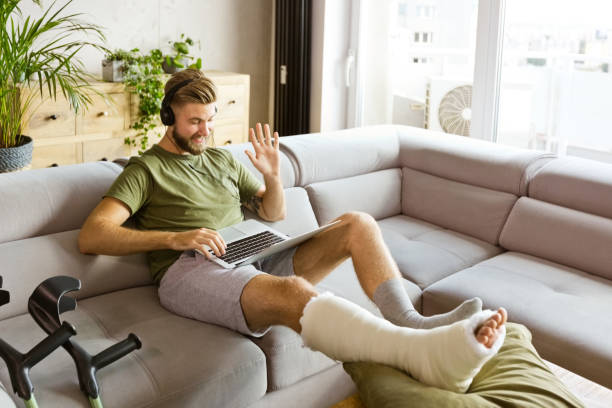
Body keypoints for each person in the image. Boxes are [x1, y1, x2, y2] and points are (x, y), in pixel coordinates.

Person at [78, 69, 507, 393]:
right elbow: (93, 235)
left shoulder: (222, 160)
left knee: (358, 223)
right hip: (189, 269)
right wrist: (175, 238)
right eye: (194, 122)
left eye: (210, 120)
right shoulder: (146, 170)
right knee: (296, 292)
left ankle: (414, 325)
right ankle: (418, 357)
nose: (206, 131)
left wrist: (274, 176)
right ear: (169, 116)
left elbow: (273, 213)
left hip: (251, 251)